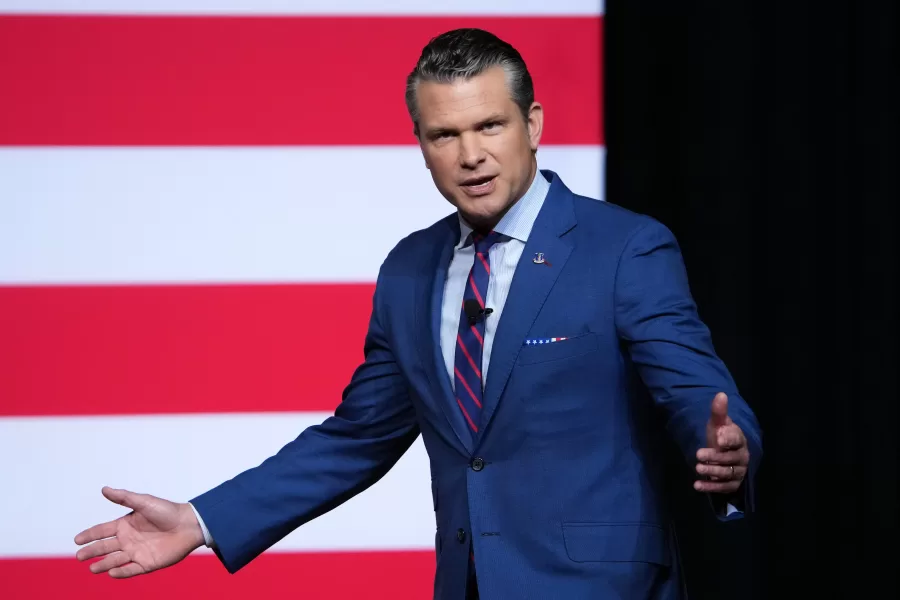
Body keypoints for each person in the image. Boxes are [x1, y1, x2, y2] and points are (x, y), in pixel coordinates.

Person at [74, 28, 762, 599]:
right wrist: (202, 520)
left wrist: (728, 449)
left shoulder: (623, 247)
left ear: (533, 124)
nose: (470, 155)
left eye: (489, 125)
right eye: (444, 134)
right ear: (421, 144)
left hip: (601, 586)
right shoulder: (409, 269)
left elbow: (694, 391)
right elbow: (357, 437)